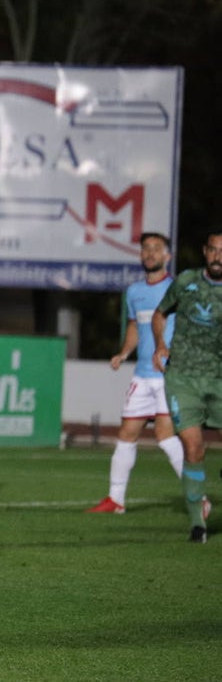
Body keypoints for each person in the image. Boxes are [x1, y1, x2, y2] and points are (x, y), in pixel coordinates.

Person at [87, 232, 183, 513]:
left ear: (168, 256)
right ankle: (116, 499)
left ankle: (197, 497)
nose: (150, 253)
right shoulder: (134, 292)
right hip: (142, 375)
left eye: (156, 249)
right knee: (127, 434)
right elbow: (134, 327)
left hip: (168, 375)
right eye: (146, 249)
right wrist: (123, 353)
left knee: (165, 437)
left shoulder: (177, 290)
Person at [152, 229, 222, 543]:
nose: (218, 257)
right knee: (193, 448)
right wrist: (159, 346)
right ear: (205, 252)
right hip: (182, 378)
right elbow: (159, 314)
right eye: (213, 250)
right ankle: (197, 524)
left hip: (219, 379)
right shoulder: (185, 282)